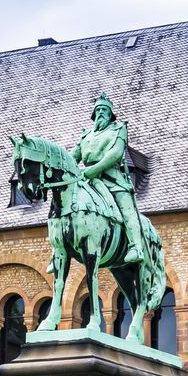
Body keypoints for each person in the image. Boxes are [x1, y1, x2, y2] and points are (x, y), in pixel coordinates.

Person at [71, 94, 146, 264]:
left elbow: (116, 154)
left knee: (127, 210)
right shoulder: (86, 135)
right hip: (88, 182)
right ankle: (60, 249)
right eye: (98, 110)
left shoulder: (119, 129)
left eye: (104, 109)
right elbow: (72, 157)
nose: (101, 112)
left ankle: (136, 247)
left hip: (113, 180)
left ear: (110, 114)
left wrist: (94, 170)